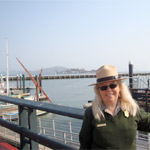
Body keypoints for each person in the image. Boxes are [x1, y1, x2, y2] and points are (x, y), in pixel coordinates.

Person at [79, 65, 150, 150]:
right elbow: (84, 145)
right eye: (103, 87)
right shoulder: (91, 113)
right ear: (98, 90)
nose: (109, 90)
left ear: (119, 87)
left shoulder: (132, 109)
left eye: (113, 85)